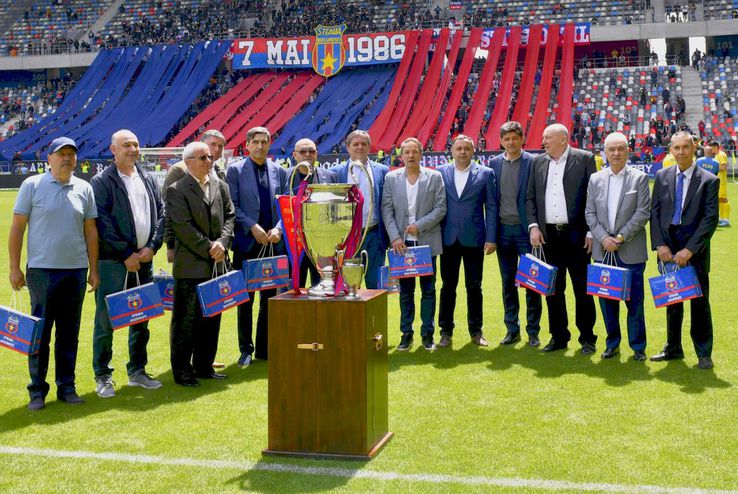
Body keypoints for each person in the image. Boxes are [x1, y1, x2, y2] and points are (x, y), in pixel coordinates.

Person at [8, 137, 99, 410]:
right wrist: (14, 267)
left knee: (69, 333)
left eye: (71, 154)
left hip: (75, 271)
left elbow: (91, 231)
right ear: (49, 158)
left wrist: (93, 269)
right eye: (61, 154)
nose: (67, 159)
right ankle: (37, 391)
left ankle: (66, 387)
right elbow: (17, 228)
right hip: (42, 271)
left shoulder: (84, 187)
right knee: (40, 333)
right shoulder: (32, 185)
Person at [89, 129, 166, 398]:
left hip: (144, 260)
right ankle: (103, 375)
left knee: (141, 316)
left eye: (135, 144)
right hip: (114, 262)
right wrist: (126, 254)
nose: (133, 149)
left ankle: (137, 371)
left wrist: (153, 246)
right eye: (126, 145)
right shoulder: (102, 180)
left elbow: (161, 213)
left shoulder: (146, 176)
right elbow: (103, 223)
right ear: (113, 149)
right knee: (106, 320)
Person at [166, 141, 235, 386]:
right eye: (203, 157)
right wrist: (210, 247)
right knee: (187, 320)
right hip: (191, 265)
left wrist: (223, 243)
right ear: (188, 162)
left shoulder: (221, 186)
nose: (209, 160)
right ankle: (183, 371)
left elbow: (230, 217)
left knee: (212, 318)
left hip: (216, 264)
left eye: (209, 157)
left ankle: (205, 366)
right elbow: (182, 227)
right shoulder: (176, 189)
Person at [650, 131, 719, 370]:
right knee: (672, 300)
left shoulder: (709, 179)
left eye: (685, 147)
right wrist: (660, 245)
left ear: (694, 148)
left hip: (695, 251)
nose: (681, 152)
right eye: (676, 148)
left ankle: (703, 353)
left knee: (700, 303)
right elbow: (655, 213)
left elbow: (710, 219)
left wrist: (689, 250)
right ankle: (673, 348)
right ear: (670, 150)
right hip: (668, 249)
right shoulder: (661, 176)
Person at [527, 123, 598, 354]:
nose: (543, 142)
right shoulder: (538, 162)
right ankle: (558, 336)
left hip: (577, 236)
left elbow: (593, 197)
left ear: (563, 139)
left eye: (547, 137)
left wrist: (590, 231)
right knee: (553, 290)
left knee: (582, 289)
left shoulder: (585, 159)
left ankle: (587, 338)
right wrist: (534, 226)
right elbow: (530, 198)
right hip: (549, 237)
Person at [584, 132, 650, 361]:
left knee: (635, 303)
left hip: (630, 251)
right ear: (605, 152)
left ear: (627, 151)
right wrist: (603, 239)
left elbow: (643, 213)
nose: (616, 153)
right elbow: (589, 213)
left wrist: (620, 238)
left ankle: (638, 346)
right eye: (611, 149)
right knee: (607, 302)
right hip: (603, 252)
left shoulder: (639, 178)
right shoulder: (595, 179)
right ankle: (612, 343)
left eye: (620, 148)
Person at [226, 127, 288, 367]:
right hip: (247, 242)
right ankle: (246, 349)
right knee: (246, 300)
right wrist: (252, 226)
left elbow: (286, 204)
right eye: (256, 142)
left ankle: (265, 348)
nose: (261, 146)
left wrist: (279, 229)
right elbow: (232, 204)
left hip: (273, 243)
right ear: (248, 144)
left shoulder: (278, 171)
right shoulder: (235, 170)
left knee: (270, 298)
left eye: (265, 142)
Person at [381, 137, 446, 351]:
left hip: (426, 243)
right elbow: (386, 211)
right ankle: (406, 335)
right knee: (406, 292)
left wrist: (420, 225)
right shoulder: (391, 178)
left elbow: (440, 208)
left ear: (421, 154)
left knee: (428, 291)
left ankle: (428, 335)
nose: (410, 156)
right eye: (406, 152)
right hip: (402, 245)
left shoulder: (434, 177)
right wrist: (395, 237)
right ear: (401, 156)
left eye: (414, 152)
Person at [436, 134, 496, 349]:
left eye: (466, 149)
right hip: (448, 239)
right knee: (447, 287)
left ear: (473, 151)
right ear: (452, 151)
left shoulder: (486, 174)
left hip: (475, 239)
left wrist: (491, 238)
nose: (462, 152)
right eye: (458, 148)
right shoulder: (440, 172)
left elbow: (491, 207)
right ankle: (445, 332)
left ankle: (476, 331)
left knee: (474, 286)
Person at [489, 122, 542, 347]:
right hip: (503, 232)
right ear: (501, 141)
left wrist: (535, 226)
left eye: (514, 138)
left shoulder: (533, 162)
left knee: (532, 282)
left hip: (526, 232)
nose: (510, 142)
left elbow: (537, 198)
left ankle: (533, 332)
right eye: (506, 139)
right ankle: (512, 329)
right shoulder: (494, 164)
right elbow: (491, 203)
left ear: (522, 139)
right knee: (507, 282)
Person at [330, 130, 389, 289]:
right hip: (347, 236)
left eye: (364, 144)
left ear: (370, 147)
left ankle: (374, 315)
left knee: (375, 285)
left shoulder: (382, 170)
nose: (360, 147)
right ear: (348, 147)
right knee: (348, 285)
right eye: (355, 144)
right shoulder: (336, 172)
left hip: (374, 235)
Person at [285, 138, 338, 287]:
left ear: (316, 154)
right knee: (294, 291)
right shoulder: (285, 176)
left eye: (311, 151)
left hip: (321, 244)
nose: (307, 154)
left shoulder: (330, 176)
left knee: (323, 289)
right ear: (294, 155)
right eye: (303, 151)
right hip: (294, 244)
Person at [709, 140, 731, 227]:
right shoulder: (717, 156)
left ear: (715, 147)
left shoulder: (721, 155)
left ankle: (726, 219)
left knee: (724, 199)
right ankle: (721, 218)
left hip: (722, 181)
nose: (711, 150)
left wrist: (713, 169)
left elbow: (724, 167)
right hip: (718, 180)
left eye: (711, 148)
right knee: (719, 200)